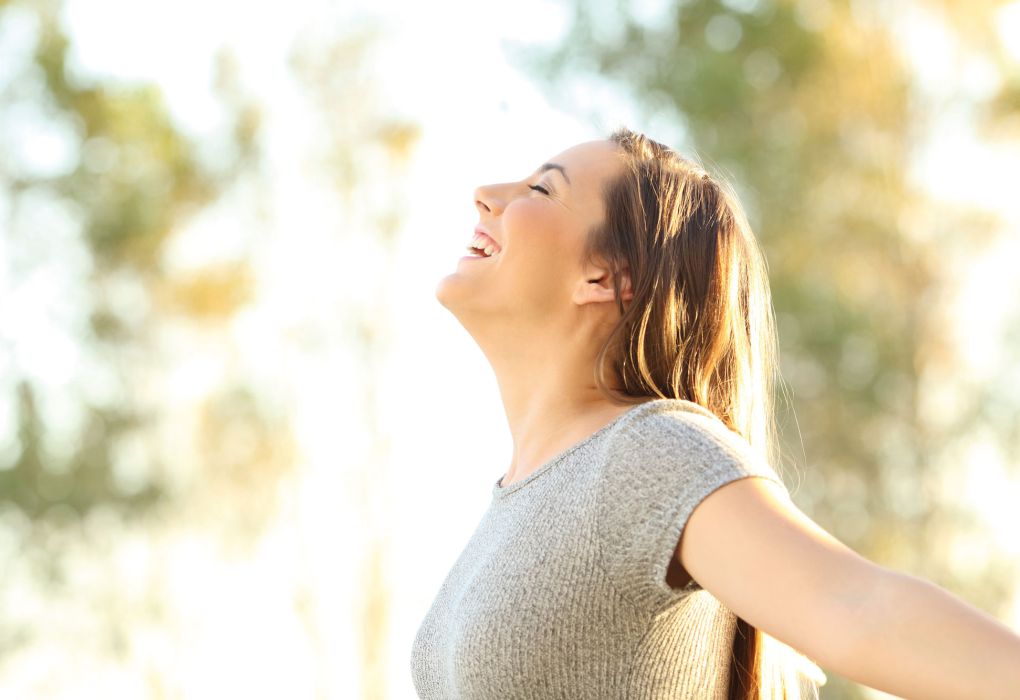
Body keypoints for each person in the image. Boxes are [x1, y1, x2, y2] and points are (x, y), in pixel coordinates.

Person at [411, 127, 1020, 699]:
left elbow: (858, 606)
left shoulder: (646, 453)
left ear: (606, 276)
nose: (486, 196)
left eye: (542, 188)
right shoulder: (515, 500)